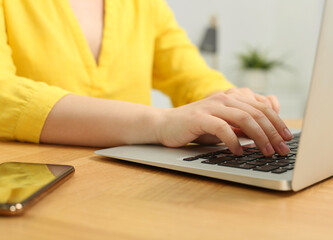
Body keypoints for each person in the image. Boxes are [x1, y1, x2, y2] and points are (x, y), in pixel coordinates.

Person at [0, 0, 292, 157]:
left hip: (132, 180)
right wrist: (162, 123)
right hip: (38, 182)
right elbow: (5, 94)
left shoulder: (144, 3)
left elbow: (190, 75)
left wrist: (230, 105)